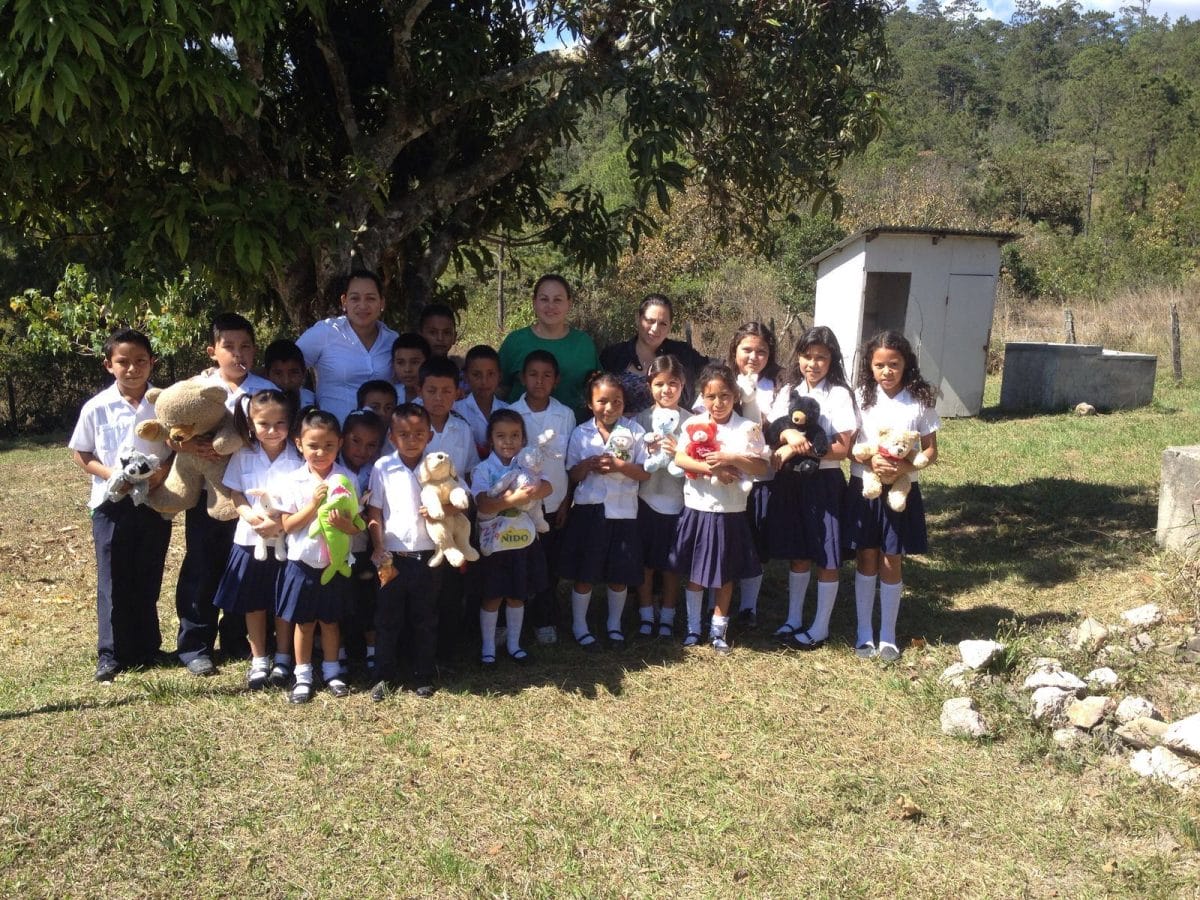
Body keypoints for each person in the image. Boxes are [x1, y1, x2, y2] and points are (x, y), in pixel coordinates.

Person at [174, 312, 277, 677]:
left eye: (245, 346)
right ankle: (195, 644)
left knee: (246, 567)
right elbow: (175, 430)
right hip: (207, 494)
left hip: (250, 498)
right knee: (202, 566)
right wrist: (194, 445)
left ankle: (237, 639)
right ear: (212, 351)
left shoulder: (267, 391)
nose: (238, 354)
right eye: (229, 347)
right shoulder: (195, 390)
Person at [69, 328, 173, 681]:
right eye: (123, 362)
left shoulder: (163, 405)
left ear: (152, 363)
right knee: (113, 577)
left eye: (140, 361)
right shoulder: (97, 407)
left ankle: (147, 647)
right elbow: (81, 452)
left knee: (148, 572)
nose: (132, 369)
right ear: (108, 365)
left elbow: (175, 448)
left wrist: (160, 476)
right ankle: (111, 653)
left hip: (154, 501)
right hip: (110, 503)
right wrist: (113, 474)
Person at [844, 330, 939, 662]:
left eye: (894, 364)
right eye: (880, 365)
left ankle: (887, 635)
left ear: (906, 364)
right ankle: (863, 633)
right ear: (870, 366)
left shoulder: (919, 400)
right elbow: (849, 447)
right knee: (866, 556)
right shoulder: (858, 397)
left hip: (901, 491)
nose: (887, 371)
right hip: (864, 487)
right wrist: (871, 460)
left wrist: (902, 470)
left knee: (891, 558)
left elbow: (930, 450)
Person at [765, 327, 858, 650]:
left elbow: (842, 447)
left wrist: (796, 448)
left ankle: (820, 626)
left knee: (826, 554)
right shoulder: (788, 389)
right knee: (798, 552)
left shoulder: (839, 394)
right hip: (792, 483)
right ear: (798, 357)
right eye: (807, 356)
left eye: (821, 357)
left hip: (825, 484)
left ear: (832, 360)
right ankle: (793, 618)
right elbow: (775, 430)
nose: (813, 364)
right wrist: (786, 438)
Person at [670, 363, 770, 654]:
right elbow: (680, 459)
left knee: (725, 574)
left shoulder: (746, 428)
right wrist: (709, 468)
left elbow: (761, 465)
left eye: (724, 395)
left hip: (731, 512)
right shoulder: (693, 424)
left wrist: (732, 458)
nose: (718, 402)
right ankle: (692, 627)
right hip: (698, 508)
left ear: (736, 395)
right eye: (711, 396)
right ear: (702, 397)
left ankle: (718, 630)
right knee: (695, 574)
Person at [212, 389, 303, 689]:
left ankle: (283, 658)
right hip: (250, 540)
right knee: (254, 604)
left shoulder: (298, 455)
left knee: (282, 602)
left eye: (280, 423)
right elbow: (235, 491)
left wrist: (279, 521)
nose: (273, 430)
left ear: (289, 423)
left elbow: (303, 495)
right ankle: (259, 659)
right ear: (251, 424)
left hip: (288, 541)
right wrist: (249, 516)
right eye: (264, 424)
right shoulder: (244, 453)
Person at [276, 409, 361, 703]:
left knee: (330, 621)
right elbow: (287, 525)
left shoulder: (347, 479)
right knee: (304, 623)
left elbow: (356, 527)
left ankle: (332, 671)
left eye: (328, 446)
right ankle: (302, 676)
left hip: (335, 565)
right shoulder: (293, 480)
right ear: (299, 443)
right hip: (302, 563)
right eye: (313, 446)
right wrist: (313, 505)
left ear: (339, 443)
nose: (321, 452)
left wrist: (344, 525)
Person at [560, 371, 649, 650]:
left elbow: (644, 474)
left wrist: (620, 466)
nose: (609, 408)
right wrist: (588, 465)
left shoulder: (635, 432)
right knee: (585, 573)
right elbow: (572, 475)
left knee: (619, 574)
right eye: (602, 401)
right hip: (589, 512)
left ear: (624, 404)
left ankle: (614, 624)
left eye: (617, 402)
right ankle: (580, 625)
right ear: (590, 403)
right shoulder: (580, 432)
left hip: (623, 512)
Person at [366, 403, 446, 701]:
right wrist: (378, 546)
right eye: (403, 434)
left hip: (429, 556)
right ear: (391, 437)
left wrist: (442, 509)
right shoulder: (382, 467)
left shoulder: (438, 466)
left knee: (425, 617)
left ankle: (422, 673)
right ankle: (383, 675)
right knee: (387, 617)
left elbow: (457, 501)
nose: (411, 439)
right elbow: (374, 510)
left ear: (430, 435)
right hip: (391, 557)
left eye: (418, 433)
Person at [470, 409, 552, 665]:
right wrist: (513, 499)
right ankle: (488, 648)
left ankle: (515, 645)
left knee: (518, 595)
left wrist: (538, 488)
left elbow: (548, 487)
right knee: (492, 596)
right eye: (501, 436)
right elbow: (483, 503)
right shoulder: (482, 470)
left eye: (515, 435)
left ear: (524, 439)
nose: (508, 441)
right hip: (494, 544)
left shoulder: (529, 465)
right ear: (490, 440)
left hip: (523, 542)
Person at [508, 349, 576, 644]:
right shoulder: (512, 413)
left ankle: (544, 618)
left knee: (549, 565)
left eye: (547, 375)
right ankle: (512, 620)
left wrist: (565, 502)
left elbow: (569, 462)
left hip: (553, 504)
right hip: (520, 505)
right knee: (518, 563)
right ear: (523, 378)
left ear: (556, 380)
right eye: (533, 374)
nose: (539, 381)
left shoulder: (565, 414)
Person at [419, 355, 478, 668]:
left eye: (446, 390)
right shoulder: (411, 426)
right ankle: (421, 651)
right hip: (422, 518)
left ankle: (449, 651)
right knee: (425, 587)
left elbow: (466, 474)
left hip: (454, 517)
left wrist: (454, 505)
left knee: (451, 587)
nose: (438, 398)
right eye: (431, 391)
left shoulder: (462, 428)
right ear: (420, 391)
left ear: (457, 392)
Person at [724, 321, 781, 629]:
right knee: (724, 538)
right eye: (747, 349)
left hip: (762, 477)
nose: (753, 357)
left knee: (755, 541)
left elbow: (782, 426)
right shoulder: (722, 381)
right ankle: (717, 602)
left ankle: (749, 606)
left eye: (761, 351)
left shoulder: (778, 386)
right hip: (726, 476)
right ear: (735, 351)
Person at [295, 269, 399, 424]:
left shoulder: (393, 340)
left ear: (382, 302)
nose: (362, 305)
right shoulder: (325, 332)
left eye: (370, 298)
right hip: (333, 438)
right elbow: (286, 368)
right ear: (344, 302)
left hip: (382, 438)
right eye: (355, 298)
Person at [633, 356, 688, 638]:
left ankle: (667, 614)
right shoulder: (639, 420)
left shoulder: (692, 422)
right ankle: (645, 613)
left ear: (683, 385)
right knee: (645, 564)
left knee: (671, 565)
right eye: (659, 384)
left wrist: (679, 451)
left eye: (673, 384)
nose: (666, 390)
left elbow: (695, 463)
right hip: (645, 502)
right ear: (649, 385)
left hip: (678, 504)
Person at [498, 274, 599, 420]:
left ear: (569, 303)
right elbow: (499, 388)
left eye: (557, 300)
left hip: (574, 434)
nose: (550, 306)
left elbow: (597, 387)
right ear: (534, 302)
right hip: (520, 434)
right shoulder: (516, 341)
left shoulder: (583, 343)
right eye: (544, 299)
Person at [600, 294, 709, 415]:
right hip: (624, 431)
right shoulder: (613, 355)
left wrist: (702, 412)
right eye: (650, 321)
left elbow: (714, 372)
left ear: (670, 326)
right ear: (638, 318)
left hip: (674, 430)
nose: (655, 328)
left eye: (663, 323)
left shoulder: (683, 354)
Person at [338, 408, 386, 680]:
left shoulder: (375, 470)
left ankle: (371, 651)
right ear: (344, 438)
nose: (362, 450)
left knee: (368, 599)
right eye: (356, 441)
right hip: (336, 548)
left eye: (371, 445)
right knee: (341, 598)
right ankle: (341, 651)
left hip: (366, 544)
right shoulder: (332, 468)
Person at [454, 344, 508, 460]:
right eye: (476, 375)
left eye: (490, 374)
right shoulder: (455, 410)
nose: (484, 381)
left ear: (499, 376)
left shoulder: (508, 411)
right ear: (466, 377)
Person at [263, 339, 316, 410]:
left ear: (304, 373)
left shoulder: (315, 401)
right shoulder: (260, 406)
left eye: (294, 372)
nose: (286, 381)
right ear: (267, 375)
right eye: (278, 373)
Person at [391, 332, 431, 404]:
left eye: (414, 362)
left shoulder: (436, 398)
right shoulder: (389, 395)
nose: (407, 369)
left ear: (427, 363)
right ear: (393, 364)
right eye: (400, 363)